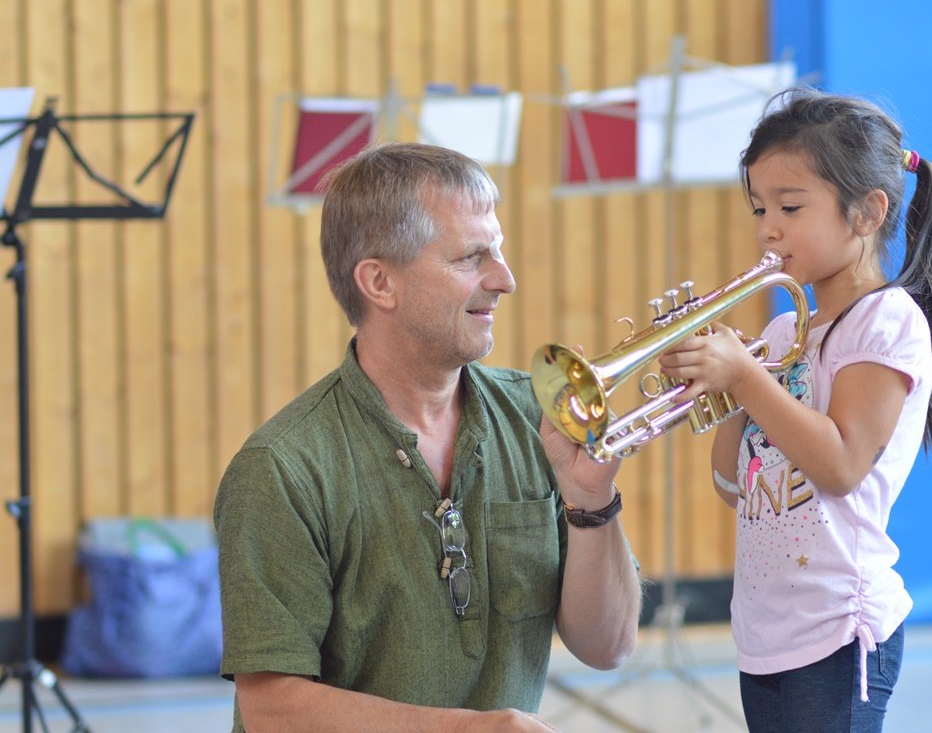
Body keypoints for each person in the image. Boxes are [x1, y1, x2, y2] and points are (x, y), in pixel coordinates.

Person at [214, 142, 642, 733]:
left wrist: (591, 503)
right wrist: (470, 730)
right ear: (380, 283)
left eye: (499, 250)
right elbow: (271, 708)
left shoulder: (534, 416)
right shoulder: (281, 467)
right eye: (471, 257)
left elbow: (608, 648)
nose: (505, 279)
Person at [658, 87, 932, 733]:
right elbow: (732, 485)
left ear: (866, 213)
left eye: (789, 206)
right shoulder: (783, 335)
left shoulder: (886, 322)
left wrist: (746, 380)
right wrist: (720, 392)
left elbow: (838, 465)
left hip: (839, 627)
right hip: (765, 629)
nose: (767, 228)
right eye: (758, 208)